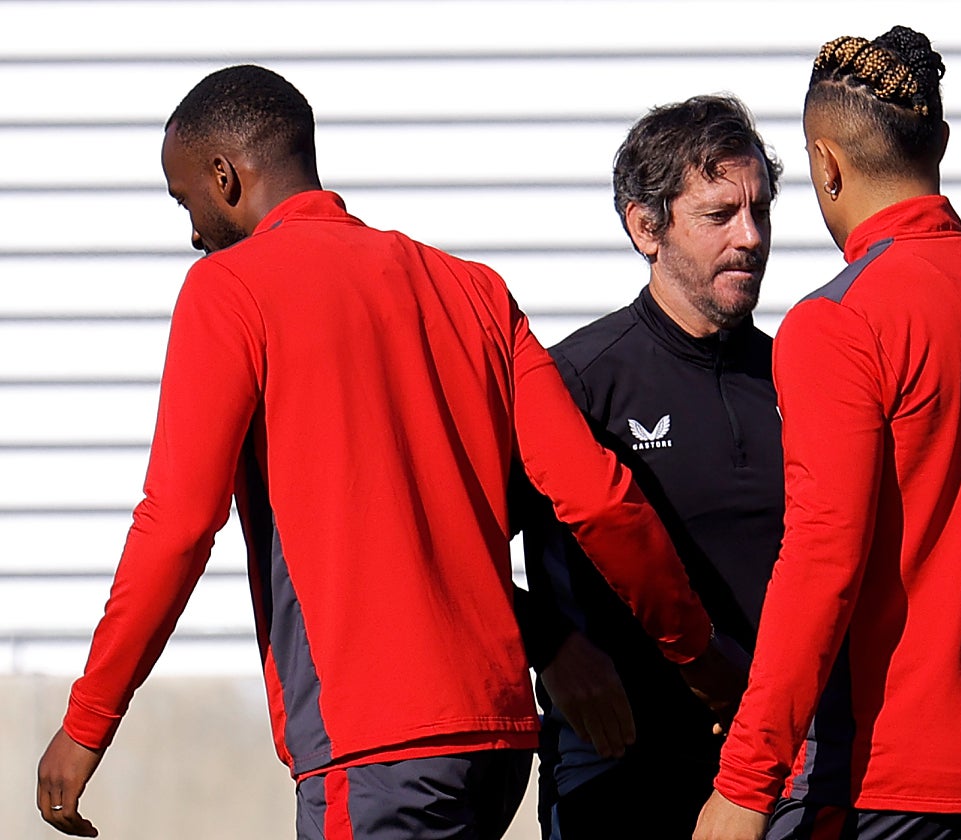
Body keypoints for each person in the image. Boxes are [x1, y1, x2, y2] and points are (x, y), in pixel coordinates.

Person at [33, 64, 745, 840]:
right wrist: (696, 654)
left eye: (186, 202)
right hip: (498, 743)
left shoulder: (228, 290)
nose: (193, 232)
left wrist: (89, 720)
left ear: (225, 176)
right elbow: (600, 496)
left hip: (373, 749)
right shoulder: (472, 289)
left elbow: (177, 523)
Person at [694, 26, 961, 840]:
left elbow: (821, 559)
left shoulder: (838, 321)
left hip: (893, 774)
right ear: (938, 143)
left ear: (825, 164)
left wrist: (743, 784)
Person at [515, 94, 799, 840]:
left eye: (761, 212)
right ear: (647, 227)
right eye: (719, 215)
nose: (751, 238)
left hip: (773, 774)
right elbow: (451, 546)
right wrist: (548, 643)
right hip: (618, 767)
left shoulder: (798, 379)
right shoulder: (575, 382)